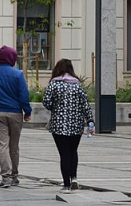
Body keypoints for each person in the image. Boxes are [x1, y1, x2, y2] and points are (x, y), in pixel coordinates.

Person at [42, 58, 93, 193]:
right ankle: (74, 177)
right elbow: (85, 105)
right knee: (73, 151)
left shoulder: (54, 84)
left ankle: (66, 185)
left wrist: (55, 107)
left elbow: (46, 102)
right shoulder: (78, 85)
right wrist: (90, 120)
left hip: (59, 125)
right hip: (76, 125)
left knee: (64, 154)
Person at [0, 45, 31, 188]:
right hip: (15, 113)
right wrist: (27, 111)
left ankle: (6, 177)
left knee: (2, 145)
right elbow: (23, 95)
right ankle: (15, 175)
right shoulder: (18, 74)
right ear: (12, 58)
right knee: (14, 146)